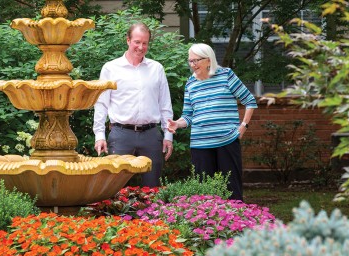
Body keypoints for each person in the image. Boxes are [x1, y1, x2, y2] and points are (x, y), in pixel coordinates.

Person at [167, 43, 257, 201]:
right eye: (190, 61)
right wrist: (177, 124)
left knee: (232, 190)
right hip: (200, 144)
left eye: (196, 60)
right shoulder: (190, 84)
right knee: (203, 193)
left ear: (208, 60)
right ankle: (207, 224)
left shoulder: (226, 75)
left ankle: (237, 223)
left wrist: (244, 126)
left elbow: (249, 101)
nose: (193, 65)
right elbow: (188, 115)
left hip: (227, 141)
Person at [93, 22, 174, 187]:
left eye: (145, 43)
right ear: (128, 40)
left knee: (153, 189)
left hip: (151, 135)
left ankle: (152, 213)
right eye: (137, 42)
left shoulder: (156, 69)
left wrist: (168, 135)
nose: (141, 47)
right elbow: (101, 104)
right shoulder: (111, 68)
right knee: (115, 188)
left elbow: (165, 105)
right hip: (121, 134)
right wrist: (99, 135)